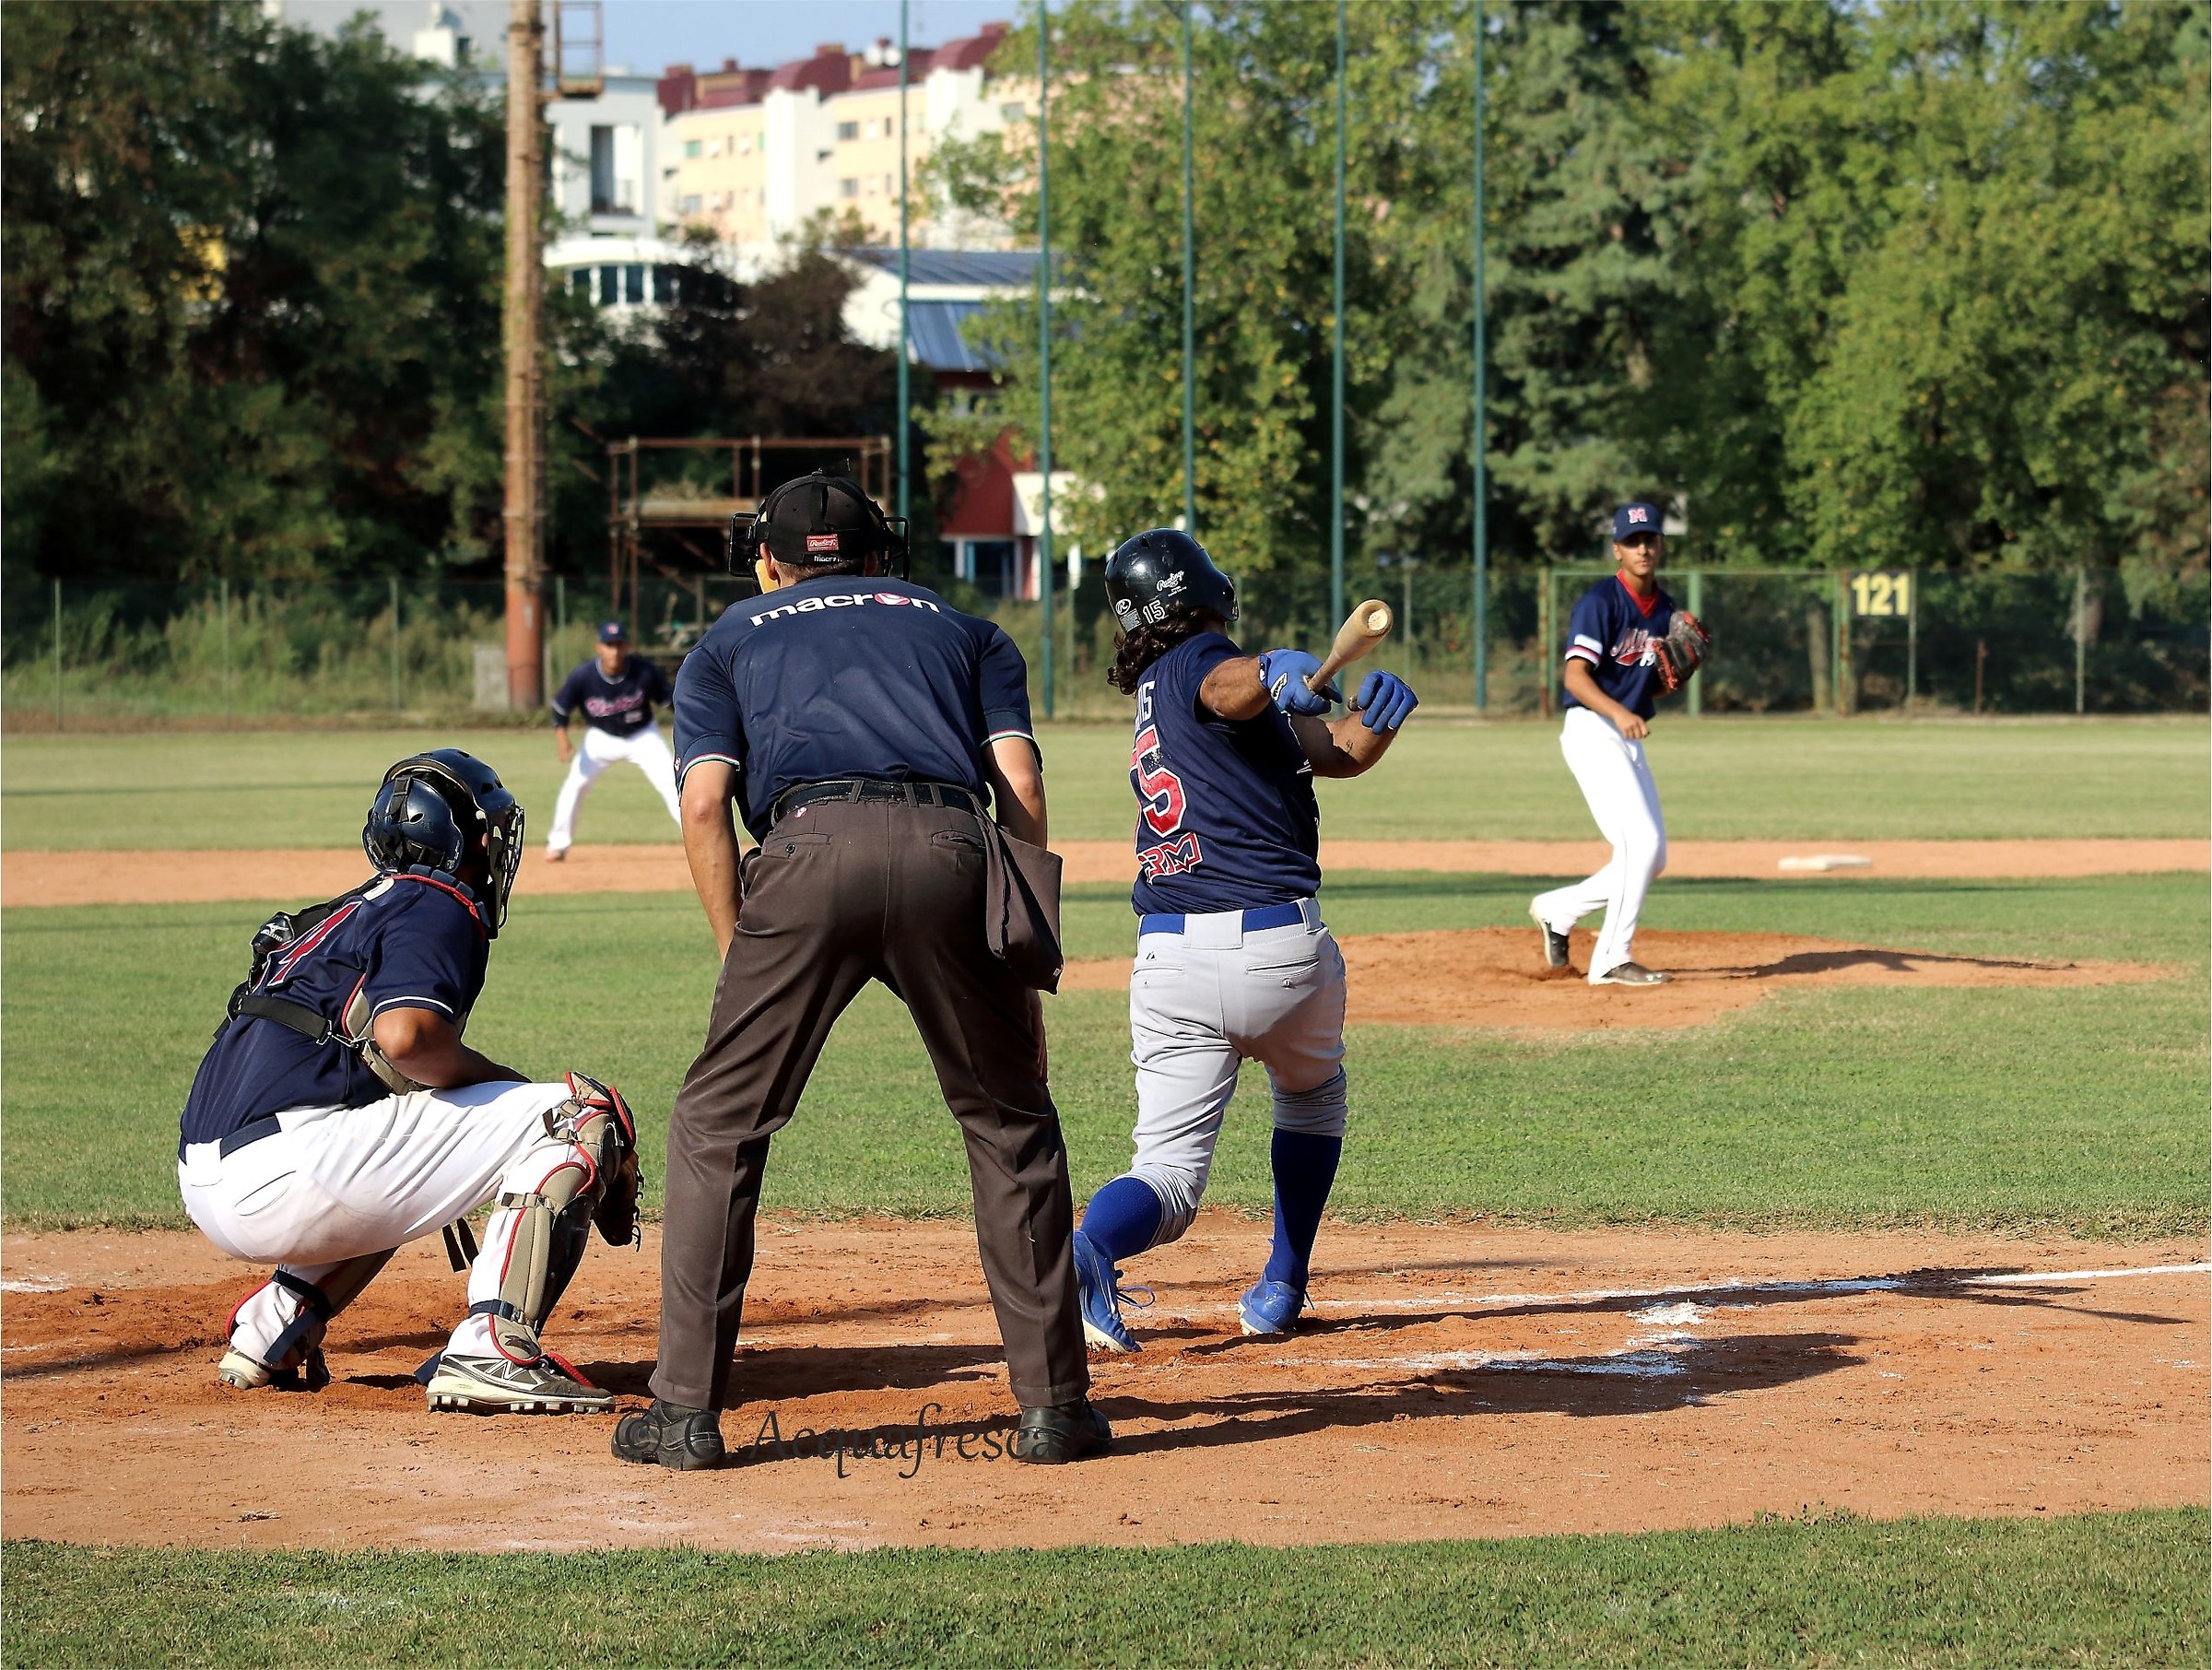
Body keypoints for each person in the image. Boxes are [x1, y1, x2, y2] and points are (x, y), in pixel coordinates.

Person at [612, 472, 1103, 1472]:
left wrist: (737, 947)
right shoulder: (967, 629)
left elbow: (706, 805)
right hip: (951, 850)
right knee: (1008, 1122)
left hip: (805, 855)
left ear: (768, 559)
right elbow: (1020, 783)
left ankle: (686, 1414)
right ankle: (1053, 1408)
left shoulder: (730, 636)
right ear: (884, 554)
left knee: (719, 1125)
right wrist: (1022, 945)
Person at [176, 749, 641, 1414]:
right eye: (488, 831)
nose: (495, 846)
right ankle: (492, 1347)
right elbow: (406, 1038)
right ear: (460, 841)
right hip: (293, 1168)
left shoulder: (341, 913)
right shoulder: (437, 897)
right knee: (580, 1112)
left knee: (409, 1137)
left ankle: (272, 1326)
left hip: (209, 1179)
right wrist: (511, 1087)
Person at [1071, 530, 1418, 1353]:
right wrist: (1265, 669)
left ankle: (1087, 1249)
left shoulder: (1158, 687)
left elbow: (1333, 754)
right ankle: (1283, 1282)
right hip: (1276, 951)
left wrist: (1377, 721)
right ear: (1205, 594)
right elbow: (1231, 686)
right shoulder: (1203, 660)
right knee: (1312, 1099)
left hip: (1167, 962)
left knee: (1166, 1178)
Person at [1529, 500, 1684, 985]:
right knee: (1642, 843)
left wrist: (1674, 677)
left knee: (1652, 857)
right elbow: (1575, 677)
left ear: (1660, 545)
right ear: (1617, 549)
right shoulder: (1601, 602)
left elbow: (1649, 683)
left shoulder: (1667, 611)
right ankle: (1612, 959)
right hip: (1593, 730)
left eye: (1650, 539)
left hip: (1626, 736)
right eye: (1633, 540)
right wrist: (1619, 711)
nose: (1643, 548)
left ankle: (1559, 909)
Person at [545, 620, 680, 861]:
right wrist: (561, 738)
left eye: (619, 644)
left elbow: (672, 704)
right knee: (575, 785)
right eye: (609, 645)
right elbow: (561, 709)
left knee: (672, 784)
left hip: (642, 735)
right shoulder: (583, 676)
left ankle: (696, 840)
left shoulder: (644, 672)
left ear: (626, 647)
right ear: (599, 647)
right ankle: (558, 844)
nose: (614, 651)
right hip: (601, 738)